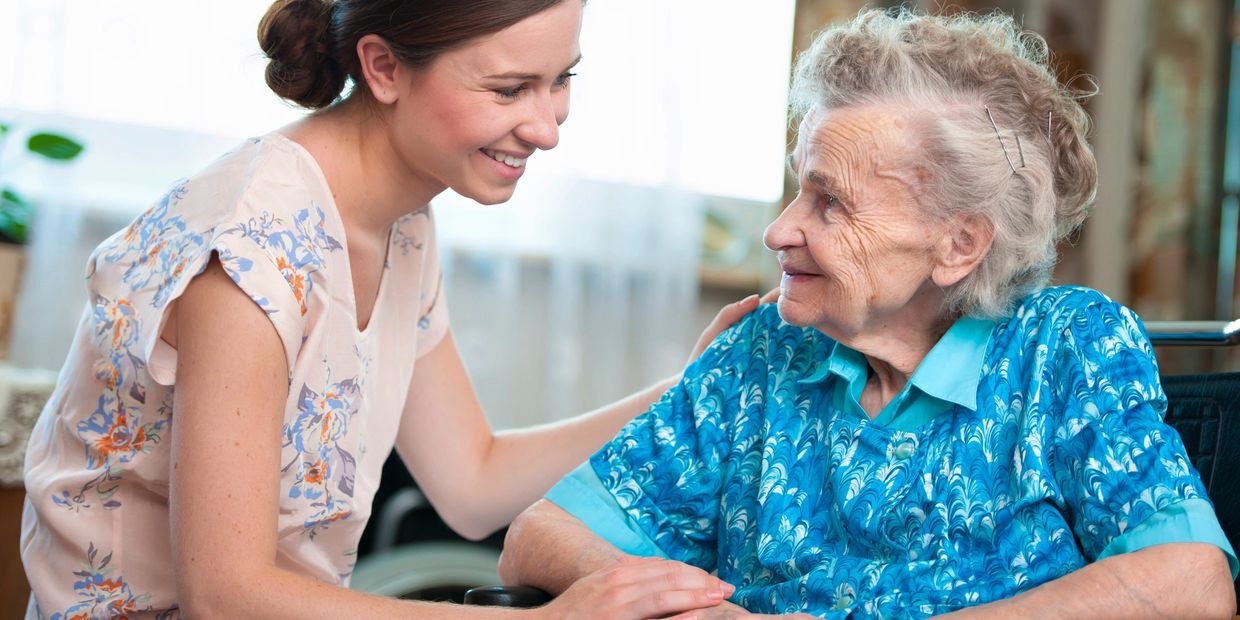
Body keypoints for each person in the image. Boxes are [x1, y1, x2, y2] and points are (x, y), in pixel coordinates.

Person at [499, 8, 1239, 619]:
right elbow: (538, 536)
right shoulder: (765, 351)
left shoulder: (1066, 349)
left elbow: (1189, 581)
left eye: (831, 201)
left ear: (958, 245)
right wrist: (680, 602)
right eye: (798, 190)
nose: (779, 230)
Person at [19, 1, 751, 617]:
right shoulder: (251, 252)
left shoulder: (400, 221)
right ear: (385, 67)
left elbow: (472, 482)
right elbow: (226, 595)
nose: (548, 126)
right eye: (508, 89)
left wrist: (689, 389)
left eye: (561, 80)